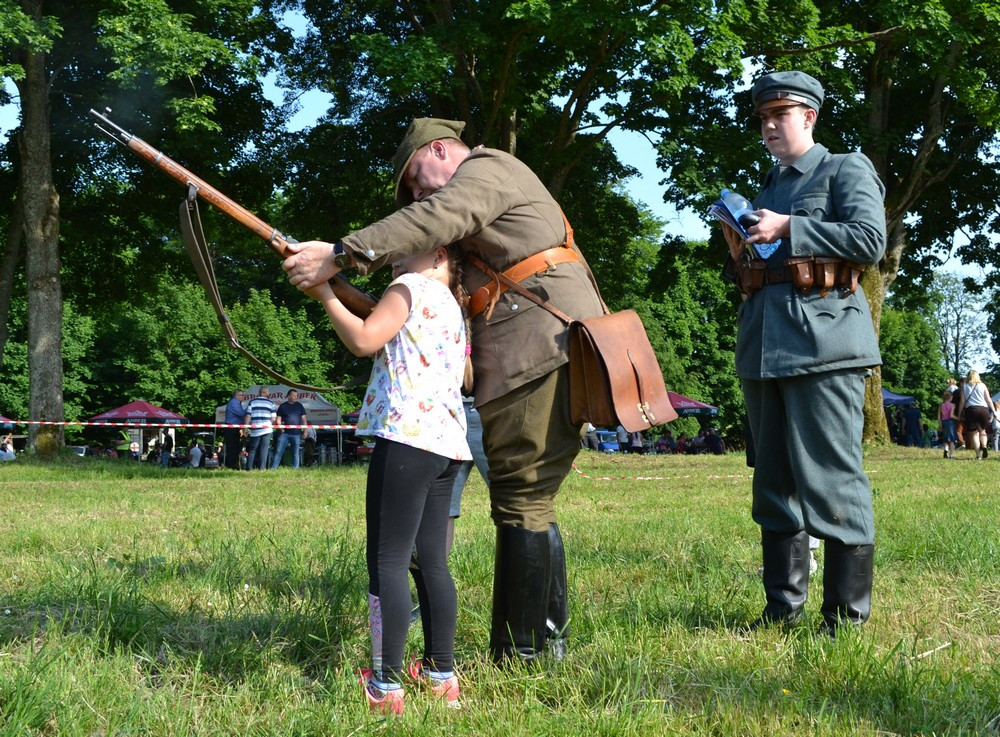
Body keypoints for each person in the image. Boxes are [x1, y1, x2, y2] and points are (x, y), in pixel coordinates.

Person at [282, 117, 605, 662]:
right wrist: (339, 288)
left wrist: (337, 255)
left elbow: (434, 219)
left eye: (414, 178)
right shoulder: (474, 201)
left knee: (524, 496)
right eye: (410, 189)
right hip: (520, 354)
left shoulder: (488, 167)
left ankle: (530, 653)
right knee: (520, 498)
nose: (417, 193)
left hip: (539, 347)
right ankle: (528, 648)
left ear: (439, 149)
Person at [723, 71, 886, 635]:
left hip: (825, 346)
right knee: (772, 484)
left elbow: (870, 240)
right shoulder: (764, 190)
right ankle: (781, 611)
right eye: (762, 117)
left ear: (809, 117)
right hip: (764, 348)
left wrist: (791, 225)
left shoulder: (845, 168)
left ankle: (845, 619)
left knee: (832, 479)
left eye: (780, 115)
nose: (768, 125)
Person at [304, 243, 471, 714]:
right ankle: (441, 677)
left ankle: (385, 685)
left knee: (389, 562)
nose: (393, 261)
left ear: (438, 254)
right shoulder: (454, 307)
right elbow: (466, 376)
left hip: (405, 439)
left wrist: (325, 294)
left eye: (405, 251)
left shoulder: (409, 287)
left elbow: (363, 340)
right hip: (447, 446)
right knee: (432, 563)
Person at [955, 369, 995, 460]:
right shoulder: (983, 385)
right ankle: (984, 446)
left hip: (971, 410)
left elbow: (962, 402)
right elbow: (988, 399)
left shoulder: (965, 387)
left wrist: (960, 413)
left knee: (974, 434)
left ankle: (978, 455)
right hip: (983, 410)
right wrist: (994, 411)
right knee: (983, 431)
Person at [271, 388, 309, 469]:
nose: (296, 397)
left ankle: (296, 469)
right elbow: (278, 420)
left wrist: (305, 431)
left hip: (296, 434)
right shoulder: (282, 406)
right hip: (284, 433)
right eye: (294, 395)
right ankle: (273, 469)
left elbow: (304, 420)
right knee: (278, 451)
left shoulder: (299, 406)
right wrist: (281, 429)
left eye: (296, 396)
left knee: (295, 453)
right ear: (289, 396)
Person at [243, 387, 276, 470]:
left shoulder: (252, 402)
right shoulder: (271, 403)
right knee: (264, 450)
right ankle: (262, 468)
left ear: (259, 392)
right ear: (267, 393)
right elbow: (273, 418)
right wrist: (269, 423)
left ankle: (249, 468)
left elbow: (248, 415)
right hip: (267, 429)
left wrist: (246, 428)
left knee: (252, 450)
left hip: (255, 429)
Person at [223, 389, 246, 470]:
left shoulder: (237, 403)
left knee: (235, 447)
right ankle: (230, 466)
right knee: (232, 448)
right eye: (242, 395)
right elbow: (242, 413)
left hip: (234, 428)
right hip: (231, 428)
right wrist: (250, 410)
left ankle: (232, 465)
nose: (244, 396)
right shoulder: (234, 403)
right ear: (236, 396)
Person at [938, 389, 958, 460]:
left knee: (945, 438)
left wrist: (939, 425)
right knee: (951, 439)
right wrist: (958, 418)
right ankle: (951, 455)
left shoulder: (941, 405)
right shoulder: (952, 405)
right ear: (950, 397)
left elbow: (938, 417)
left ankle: (946, 449)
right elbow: (951, 415)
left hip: (943, 422)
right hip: (950, 423)